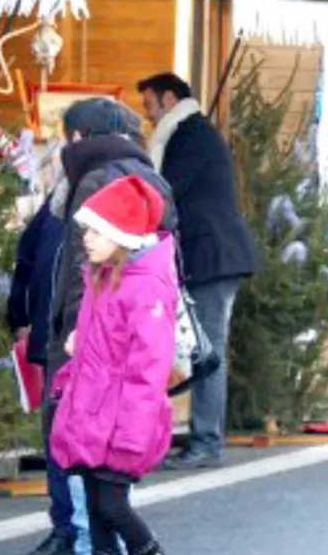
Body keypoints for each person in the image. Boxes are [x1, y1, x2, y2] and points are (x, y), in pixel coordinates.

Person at [40, 98, 174, 555]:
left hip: (119, 426)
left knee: (114, 507)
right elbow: (86, 355)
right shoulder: (99, 279)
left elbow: (148, 370)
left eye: (94, 232)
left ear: (120, 236)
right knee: (98, 510)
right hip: (92, 419)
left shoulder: (142, 288)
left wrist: (131, 437)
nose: (85, 241)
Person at [138, 73, 259, 469]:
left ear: (170, 100)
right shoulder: (191, 133)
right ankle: (201, 436)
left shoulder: (189, 137)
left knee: (207, 350)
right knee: (202, 348)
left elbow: (165, 192)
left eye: (150, 106)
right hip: (210, 256)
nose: (148, 117)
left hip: (213, 257)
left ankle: (207, 441)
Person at [7, 165, 79, 555]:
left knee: (75, 436)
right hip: (54, 336)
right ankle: (66, 525)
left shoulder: (105, 191)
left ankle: (82, 528)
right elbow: (29, 257)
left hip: (86, 340)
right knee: (56, 432)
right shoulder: (59, 199)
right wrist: (20, 316)